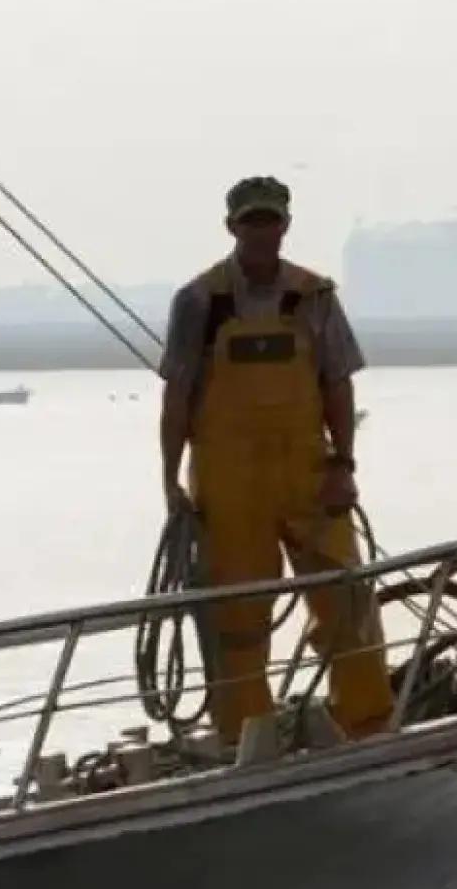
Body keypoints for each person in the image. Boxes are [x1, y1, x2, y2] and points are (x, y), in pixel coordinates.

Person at [158, 175, 394, 747]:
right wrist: (170, 484)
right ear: (232, 227)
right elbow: (177, 399)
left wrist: (344, 465)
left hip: (310, 477)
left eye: (270, 221)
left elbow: (338, 385)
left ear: (286, 225)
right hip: (228, 485)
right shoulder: (198, 301)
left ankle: (367, 726)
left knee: (349, 600)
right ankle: (246, 739)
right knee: (237, 620)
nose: (261, 232)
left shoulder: (315, 296)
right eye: (251, 222)